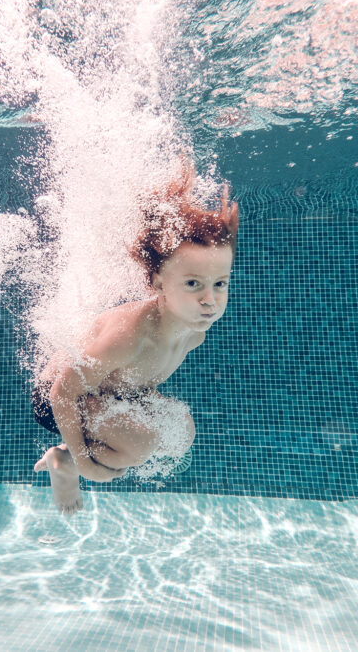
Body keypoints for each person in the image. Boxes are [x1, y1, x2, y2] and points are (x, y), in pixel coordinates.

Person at [32, 161, 240, 514]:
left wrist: (140, 410)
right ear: (158, 283)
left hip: (109, 389)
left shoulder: (193, 336)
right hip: (58, 396)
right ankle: (63, 462)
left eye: (219, 284)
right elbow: (61, 391)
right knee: (135, 449)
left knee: (181, 436)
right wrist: (84, 463)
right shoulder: (131, 335)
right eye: (193, 284)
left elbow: (140, 377)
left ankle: (91, 449)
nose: (210, 299)